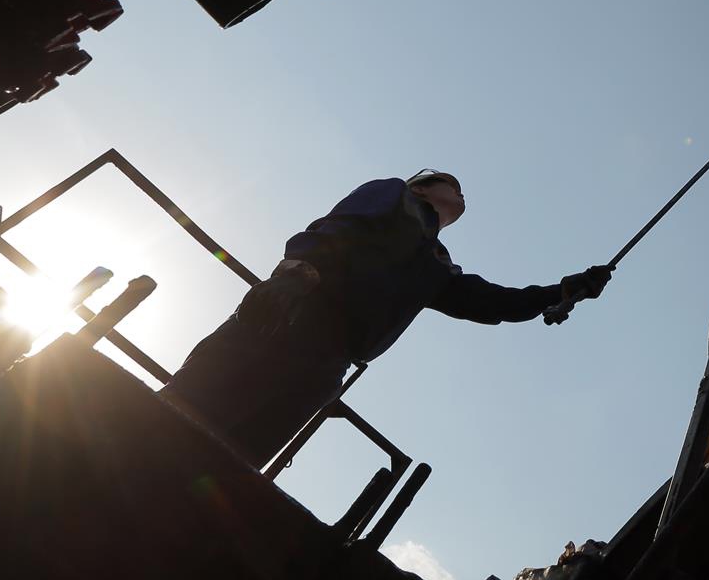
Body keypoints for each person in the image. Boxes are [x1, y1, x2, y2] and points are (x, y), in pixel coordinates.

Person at [162, 170, 609, 467]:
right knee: (185, 411)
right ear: (422, 188)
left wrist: (562, 290)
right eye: (451, 184)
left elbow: (491, 301)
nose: (461, 192)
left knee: (238, 459)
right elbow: (337, 228)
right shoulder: (393, 194)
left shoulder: (436, 264)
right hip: (293, 316)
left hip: (327, 365)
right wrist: (294, 274)